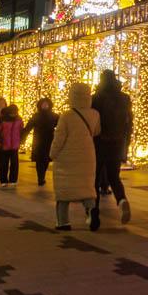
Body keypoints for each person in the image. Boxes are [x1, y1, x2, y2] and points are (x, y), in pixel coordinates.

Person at [50, 82, 102, 231]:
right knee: (86, 186)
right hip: (88, 155)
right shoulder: (94, 114)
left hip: (67, 156)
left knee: (63, 191)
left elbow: (59, 138)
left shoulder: (66, 115)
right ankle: (91, 210)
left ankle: (63, 222)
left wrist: (52, 154)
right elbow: (97, 131)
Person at [91, 70, 133, 224]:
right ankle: (121, 200)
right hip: (117, 143)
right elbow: (129, 124)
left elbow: (92, 123)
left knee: (94, 178)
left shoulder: (96, 98)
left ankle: (94, 212)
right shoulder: (124, 99)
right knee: (114, 177)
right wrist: (125, 144)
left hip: (98, 143)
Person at [25, 98, 58, 186]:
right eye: (43, 104)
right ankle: (40, 178)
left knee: (46, 159)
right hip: (38, 140)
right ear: (40, 105)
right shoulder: (36, 115)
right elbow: (29, 126)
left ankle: (42, 177)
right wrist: (23, 136)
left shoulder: (54, 116)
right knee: (39, 160)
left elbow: (60, 126)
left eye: (46, 104)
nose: (45, 105)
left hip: (49, 140)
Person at [0, 104, 25, 188]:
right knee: (4, 163)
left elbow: (21, 130)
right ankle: (3, 180)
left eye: (15, 112)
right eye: (12, 113)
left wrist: (21, 139)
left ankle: (13, 180)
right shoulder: (2, 119)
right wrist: (0, 139)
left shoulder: (19, 120)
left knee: (14, 164)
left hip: (14, 145)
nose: (14, 114)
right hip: (4, 145)